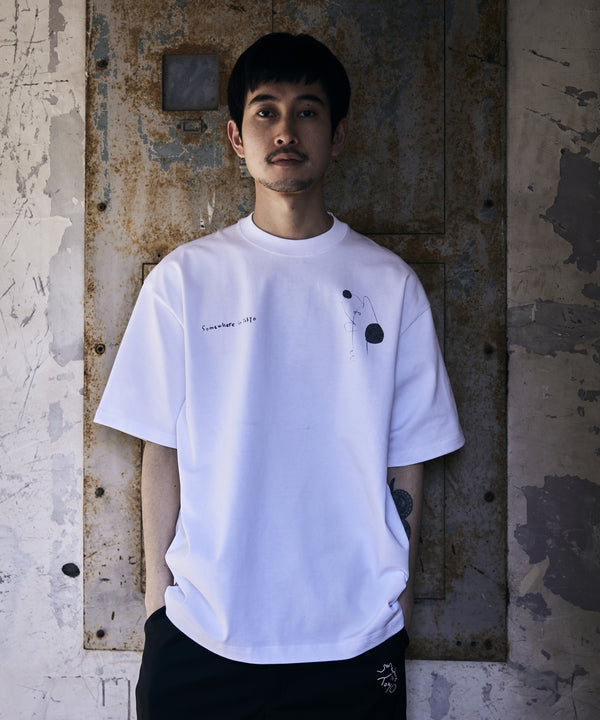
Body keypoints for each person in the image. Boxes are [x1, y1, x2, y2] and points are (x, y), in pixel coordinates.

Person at [94, 32, 464, 719]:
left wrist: (397, 610)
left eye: (307, 111)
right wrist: (157, 614)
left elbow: (408, 461)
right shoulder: (184, 279)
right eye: (265, 111)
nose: (286, 130)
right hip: (200, 637)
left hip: (356, 640)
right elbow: (159, 450)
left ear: (339, 135)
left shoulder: (391, 284)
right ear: (236, 138)